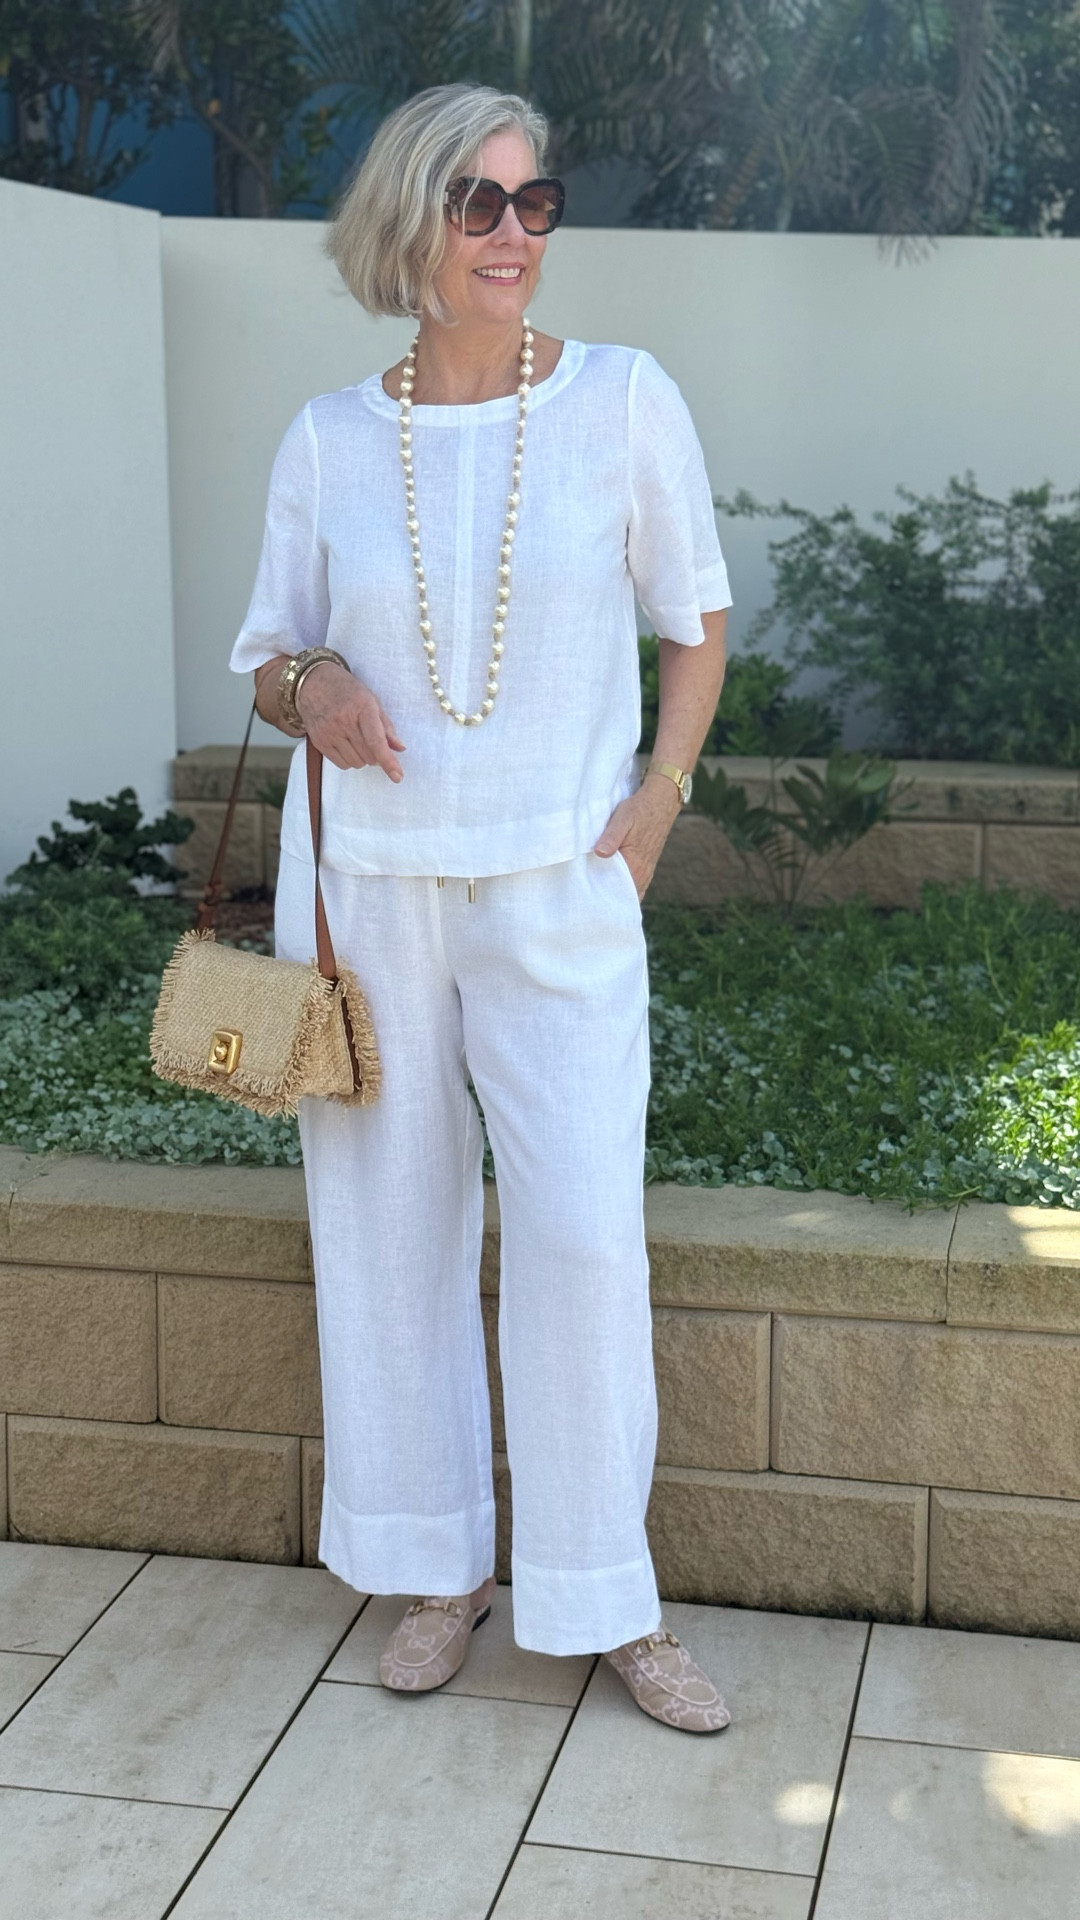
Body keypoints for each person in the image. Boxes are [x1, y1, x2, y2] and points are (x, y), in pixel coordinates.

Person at [231, 82, 732, 1734]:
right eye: (478, 203)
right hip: (370, 895)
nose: (514, 233)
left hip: (561, 887)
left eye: (535, 202)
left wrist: (659, 797)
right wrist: (315, 690)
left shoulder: (623, 401)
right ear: (411, 222)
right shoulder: (328, 438)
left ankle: (605, 1596)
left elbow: (697, 619)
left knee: (583, 1235)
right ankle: (434, 1568)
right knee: (389, 1237)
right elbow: (268, 657)